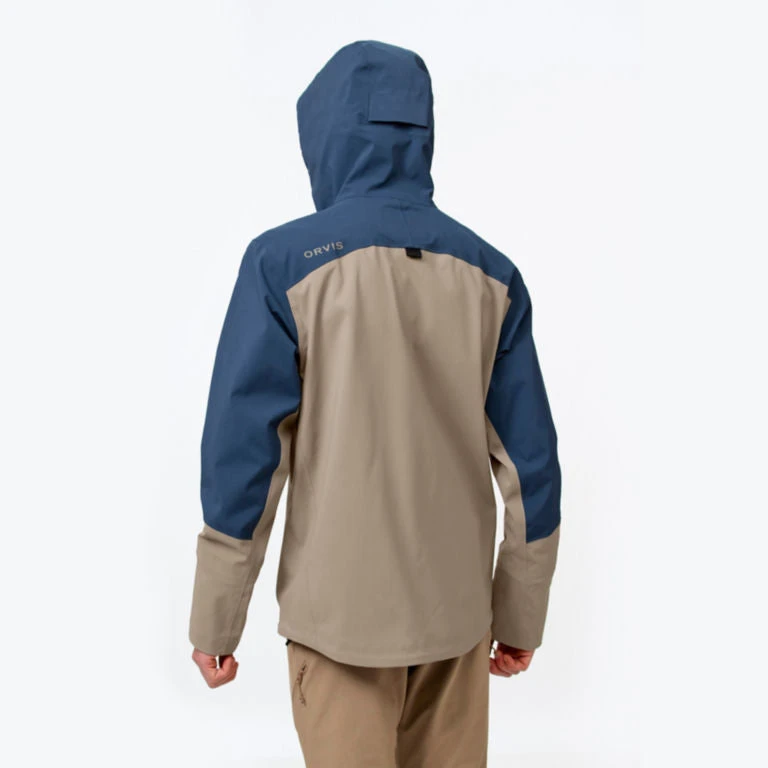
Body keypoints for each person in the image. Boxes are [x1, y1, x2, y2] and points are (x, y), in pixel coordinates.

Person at [189, 39, 561, 767]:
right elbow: (532, 464)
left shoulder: (281, 264)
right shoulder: (492, 273)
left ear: (324, 136)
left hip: (340, 626)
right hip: (456, 624)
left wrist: (216, 617)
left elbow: (244, 456)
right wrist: (521, 614)